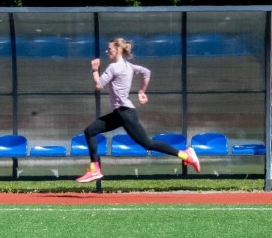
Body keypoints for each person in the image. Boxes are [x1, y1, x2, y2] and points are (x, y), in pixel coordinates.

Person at [76, 38, 200, 183]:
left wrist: (95, 69)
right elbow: (146, 72)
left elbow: (98, 85)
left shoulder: (113, 67)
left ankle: (186, 155)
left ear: (117, 50)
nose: (106, 51)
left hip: (125, 113)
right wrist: (142, 91)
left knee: (147, 143)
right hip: (121, 113)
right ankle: (94, 168)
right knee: (90, 131)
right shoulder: (129, 66)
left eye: (109, 49)